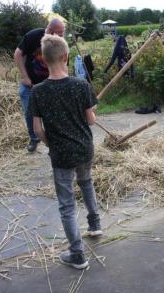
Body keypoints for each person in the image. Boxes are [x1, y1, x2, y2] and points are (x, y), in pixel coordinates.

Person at [29, 34, 102, 269]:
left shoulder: (38, 91)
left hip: (61, 154)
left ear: (43, 59)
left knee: (67, 204)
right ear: (66, 56)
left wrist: (51, 143)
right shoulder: (81, 85)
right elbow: (91, 120)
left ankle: (77, 254)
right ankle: (94, 224)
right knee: (86, 182)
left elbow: (37, 130)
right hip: (84, 148)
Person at [13, 18, 65, 152]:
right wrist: (24, 76)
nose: (62, 36)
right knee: (29, 112)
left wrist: (65, 82)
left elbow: (64, 64)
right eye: (60, 33)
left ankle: (55, 139)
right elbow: (18, 55)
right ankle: (34, 138)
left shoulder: (60, 43)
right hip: (30, 84)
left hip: (50, 83)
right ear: (51, 31)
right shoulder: (34, 36)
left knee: (53, 111)